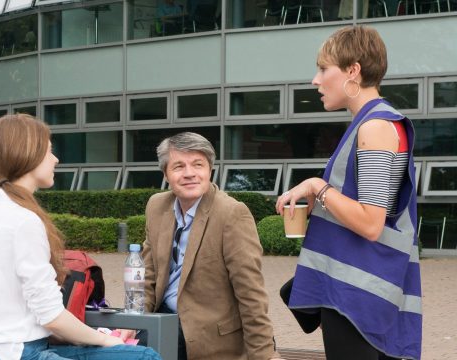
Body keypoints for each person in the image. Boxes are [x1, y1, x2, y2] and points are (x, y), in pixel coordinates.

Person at [0, 114, 161, 360]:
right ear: (28, 155)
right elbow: (51, 316)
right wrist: (107, 339)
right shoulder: (22, 220)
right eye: (49, 151)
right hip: (14, 351)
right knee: (142, 357)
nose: (56, 159)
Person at [275, 25, 421, 360]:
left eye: (324, 69)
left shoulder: (374, 127)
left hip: (357, 296)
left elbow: (371, 222)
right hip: (364, 291)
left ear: (353, 70)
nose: (316, 80)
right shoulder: (373, 123)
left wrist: (317, 186)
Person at [142, 132, 281, 360]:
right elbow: (148, 275)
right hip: (161, 319)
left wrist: (263, 355)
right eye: (178, 166)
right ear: (166, 174)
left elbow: (250, 293)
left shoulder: (231, 214)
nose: (190, 174)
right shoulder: (156, 206)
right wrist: (136, 321)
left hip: (208, 333)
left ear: (210, 170)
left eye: (198, 165)